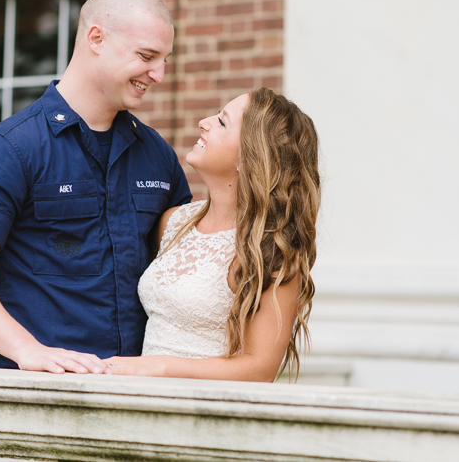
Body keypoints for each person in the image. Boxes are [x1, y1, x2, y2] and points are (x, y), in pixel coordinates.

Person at [0, 0, 192, 374]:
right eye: (146, 56)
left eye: (164, 60)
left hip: (136, 396)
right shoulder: (10, 150)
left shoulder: (157, 156)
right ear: (96, 38)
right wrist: (27, 350)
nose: (157, 74)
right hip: (36, 396)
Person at [104, 88, 320, 382]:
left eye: (222, 122)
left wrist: (160, 367)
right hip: (144, 403)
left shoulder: (271, 250)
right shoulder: (173, 222)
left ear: (249, 156)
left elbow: (260, 369)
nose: (204, 122)